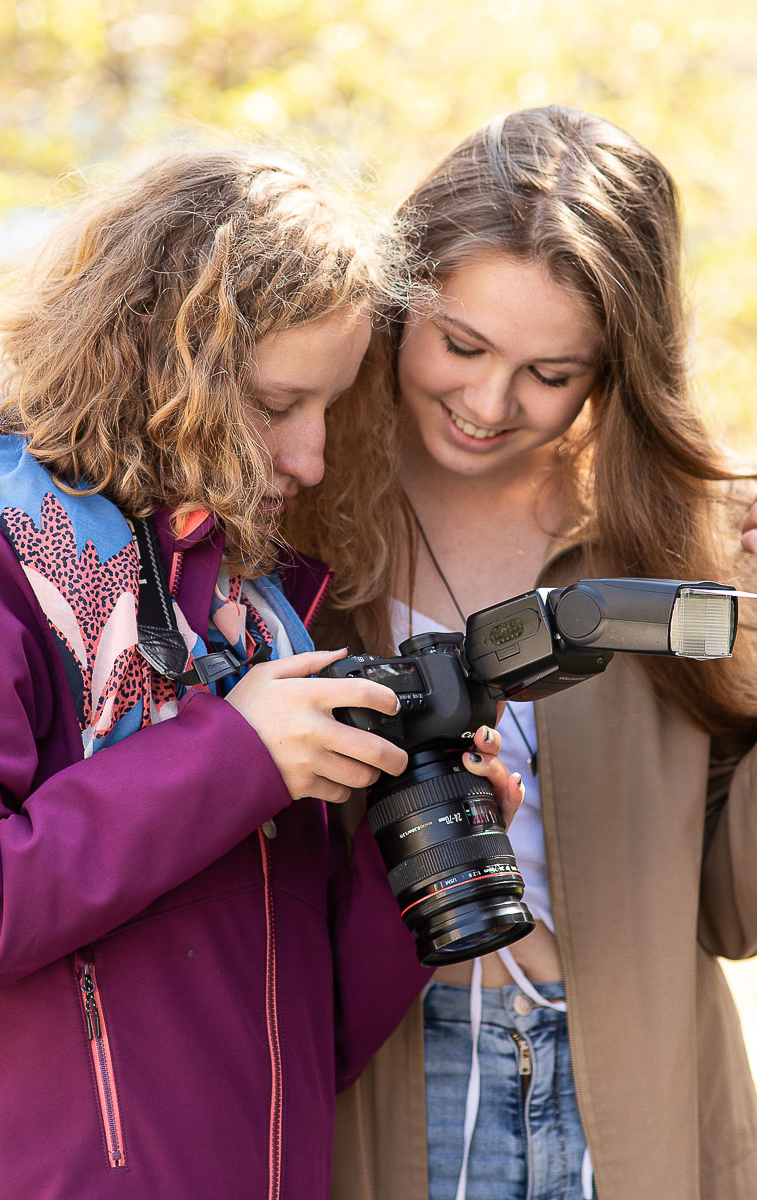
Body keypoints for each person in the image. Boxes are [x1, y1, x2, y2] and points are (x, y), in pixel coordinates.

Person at [0, 145, 524, 1199]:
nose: (308, 458)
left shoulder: (256, 616)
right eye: (274, 406)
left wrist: (406, 867)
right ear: (150, 358)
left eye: (328, 408)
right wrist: (231, 758)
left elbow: (311, 1046)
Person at [286, 106, 757, 1199]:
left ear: (612, 368)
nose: (488, 404)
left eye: (551, 373)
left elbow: (735, 911)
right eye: (459, 345)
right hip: (382, 1088)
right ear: (397, 301)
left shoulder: (679, 542)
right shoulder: (287, 513)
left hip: (633, 1106)